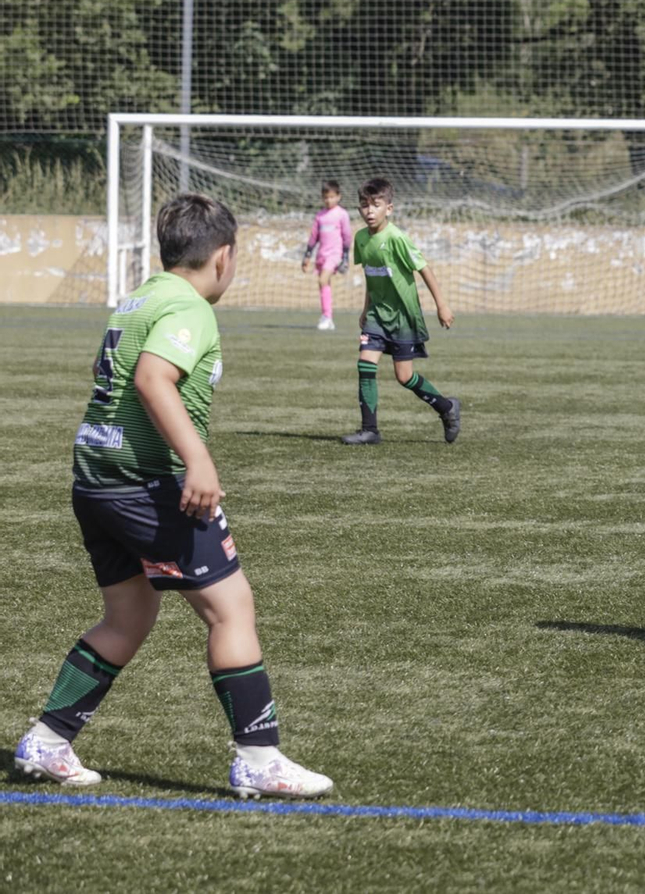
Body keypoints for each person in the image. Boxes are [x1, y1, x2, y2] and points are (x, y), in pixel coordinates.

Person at [14, 193, 333, 799]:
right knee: (231, 609)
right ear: (224, 256)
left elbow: (106, 373)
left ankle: (48, 741)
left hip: (96, 478)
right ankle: (259, 758)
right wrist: (198, 459)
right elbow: (151, 378)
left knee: (128, 616)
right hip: (147, 483)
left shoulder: (139, 299)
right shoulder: (190, 307)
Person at [341, 177, 460, 446]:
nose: (370, 211)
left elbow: (424, 269)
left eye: (376, 205)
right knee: (365, 364)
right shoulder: (361, 238)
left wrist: (442, 305)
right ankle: (370, 430)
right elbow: (372, 275)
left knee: (404, 376)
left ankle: (447, 407)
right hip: (376, 315)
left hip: (403, 317)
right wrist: (366, 309)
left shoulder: (397, 238)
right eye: (364, 205)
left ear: (389, 208)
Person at [301, 180, 353, 331]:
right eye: (325, 197)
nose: (328, 200)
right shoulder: (320, 216)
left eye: (331, 197)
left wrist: (345, 257)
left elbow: (347, 236)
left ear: (338, 196)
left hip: (335, 255)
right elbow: (314, 237)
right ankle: (327, 317)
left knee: (322, 279)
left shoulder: (342, 214)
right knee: (324, 283)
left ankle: (327, 317)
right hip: (322, 255)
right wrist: (307, 256)